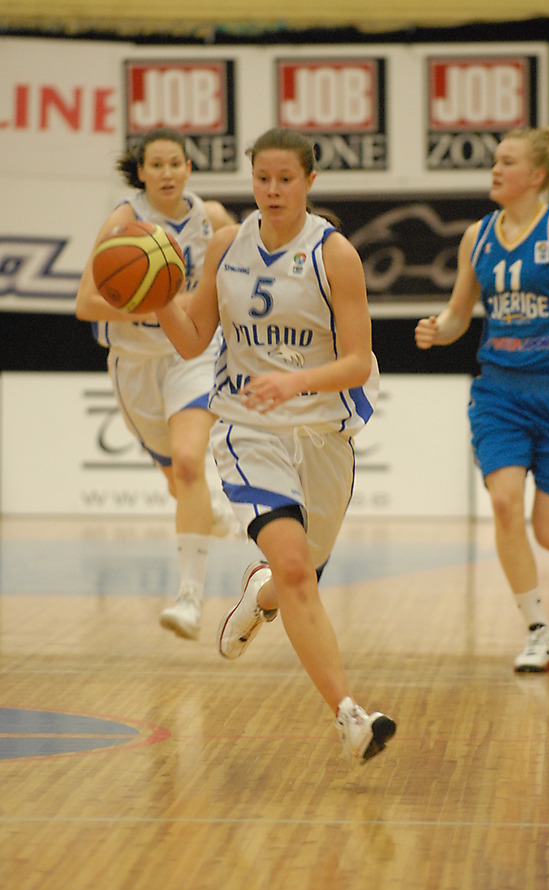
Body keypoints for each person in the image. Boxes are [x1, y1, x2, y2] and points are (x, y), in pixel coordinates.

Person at [155, 126, 396, 762]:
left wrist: (294, 381)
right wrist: (160, 299)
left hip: (323, 432)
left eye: (286, 178)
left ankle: (256, 598)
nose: (273, 189)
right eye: (262, 178)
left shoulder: (334, 255)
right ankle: (350, 716)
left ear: (309, 181)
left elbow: (357, 361)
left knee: (296, 578)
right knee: (294, 569)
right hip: (248, 428)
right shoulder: (228, 245)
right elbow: (192, 340)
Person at [415, 126, 549, 673]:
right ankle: (538, 631)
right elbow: (459, 313)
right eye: (494, 161)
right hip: (499, 392)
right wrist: (439, 330)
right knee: (503, 503)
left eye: (507, 162)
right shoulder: (477, 236)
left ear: (536, 175)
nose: (495, 170)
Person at [76, 127, 237, 640]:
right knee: (178, 479)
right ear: (141, 172)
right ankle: (206, 509)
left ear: (188, 168)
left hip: (193, 353)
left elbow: (243, 271)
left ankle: (190, 597)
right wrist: (152, 302)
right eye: (156, 165)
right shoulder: (123, 222)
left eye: (175, 163)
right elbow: (85, 303)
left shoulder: (212, 218)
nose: (167, 173)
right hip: (136, 363)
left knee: (189, 462)